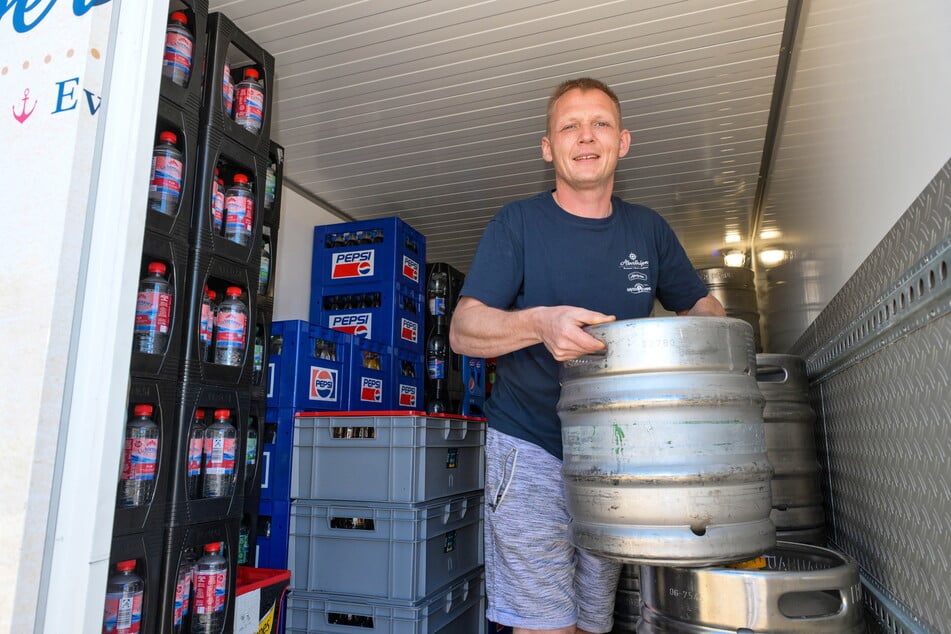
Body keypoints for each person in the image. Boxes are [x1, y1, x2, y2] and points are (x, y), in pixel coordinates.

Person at [448, 78, 725, 634]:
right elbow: (462, 330)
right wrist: (538, 323)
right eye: (569, 126)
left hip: (616, 456)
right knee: (544, 623)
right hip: (530, 447)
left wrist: (662, 344)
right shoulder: (518, 223)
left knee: (593, 620)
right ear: (548, 147)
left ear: (623, 141)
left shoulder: (648, 230)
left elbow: (707, 311)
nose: (586, 137)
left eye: (599, 123)